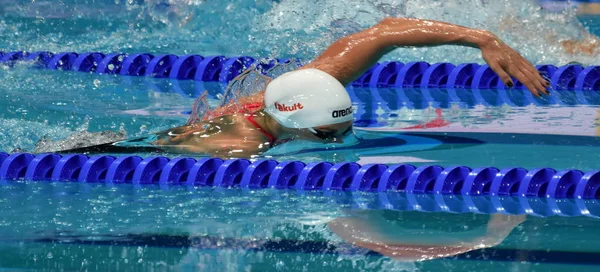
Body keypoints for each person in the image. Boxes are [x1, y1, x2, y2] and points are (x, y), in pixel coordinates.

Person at [56, 17, 550, 158]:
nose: (340, 142)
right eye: (328, 137)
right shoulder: (238, 146)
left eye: (341, 131)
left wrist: (480, 38)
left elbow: (386, 32)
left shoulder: (314, 84)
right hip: (140, 149)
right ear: (288, 123)